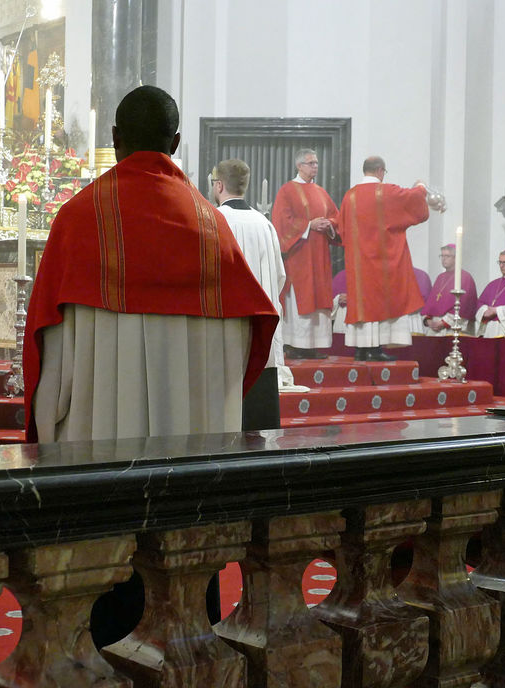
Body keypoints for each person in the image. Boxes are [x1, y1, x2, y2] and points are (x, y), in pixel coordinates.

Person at [23, 86, 278, 444]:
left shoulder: (79, 219)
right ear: (174, 143)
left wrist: (50, 419)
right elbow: (241, 343)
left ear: (114, 137)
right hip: (192, 445)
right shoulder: (211, 226)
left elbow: (51, 345)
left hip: (94, 444)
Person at [212, 158, 286, 429]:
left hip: (228, 326)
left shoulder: (215, 219)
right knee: (259, 426)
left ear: (219, 185)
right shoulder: (264, 224)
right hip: (262, 326)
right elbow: (279, 277)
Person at [337, 156, 431, 360]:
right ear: (380, 171)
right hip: (382, 262)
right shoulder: (386, 191)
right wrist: (421, 187)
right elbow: (413, 200)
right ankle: (375, 349)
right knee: (382, 301)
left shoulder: (349, 196)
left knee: (363, 303)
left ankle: (361, 348)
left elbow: (341, 230)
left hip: (359, 265)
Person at [271, 148, 339, 360]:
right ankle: (296, 345)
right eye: (311, 163)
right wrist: (309, 225)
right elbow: (281, 222)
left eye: (317, 163)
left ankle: (312, 346)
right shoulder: (287, 190)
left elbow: (335, 217)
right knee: (301, 297)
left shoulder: (320, 191)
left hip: (320, 256)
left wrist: (329, 224)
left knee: (319, 297)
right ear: (299, 166)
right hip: (299, 256)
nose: (315, 166)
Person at [422, 244, 477, 335]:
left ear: (456, 258)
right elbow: (432, 303)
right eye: (442, 256)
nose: (443, 259)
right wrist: (428, 320)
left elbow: (465, 306)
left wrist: (444, 322)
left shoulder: (465, 277)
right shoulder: (440, 277)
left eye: (447, 256)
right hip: (436, 328)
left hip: (452, 328)